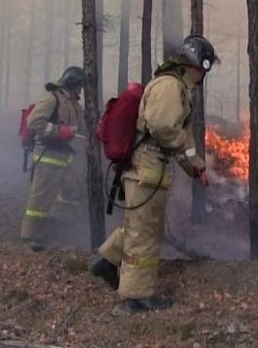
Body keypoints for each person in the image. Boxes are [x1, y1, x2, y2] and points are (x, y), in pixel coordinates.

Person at [90, 35, 218, 316]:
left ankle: (108, 263)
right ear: (194, 64)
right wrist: (185, 151)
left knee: (140, 225)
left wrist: (196, 168)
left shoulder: (178, 88)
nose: (203, 75)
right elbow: (164, 129)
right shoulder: (171, 86)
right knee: (145, 233)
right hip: (147, 168)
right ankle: (136, 299)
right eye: (203, 68)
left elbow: (181, 137)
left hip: (151, 169)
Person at [20, 66, 87, 252]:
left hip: (66, 156)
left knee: (71, 193)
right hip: (48, 155)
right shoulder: (52, 99)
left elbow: (83, 129)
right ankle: (31, 237)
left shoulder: (75, 105)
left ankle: (59, 229)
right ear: (72, 83)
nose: (81, 89)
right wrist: (59, 132)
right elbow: (33, 122)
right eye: (79, 85)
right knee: (40, 198)